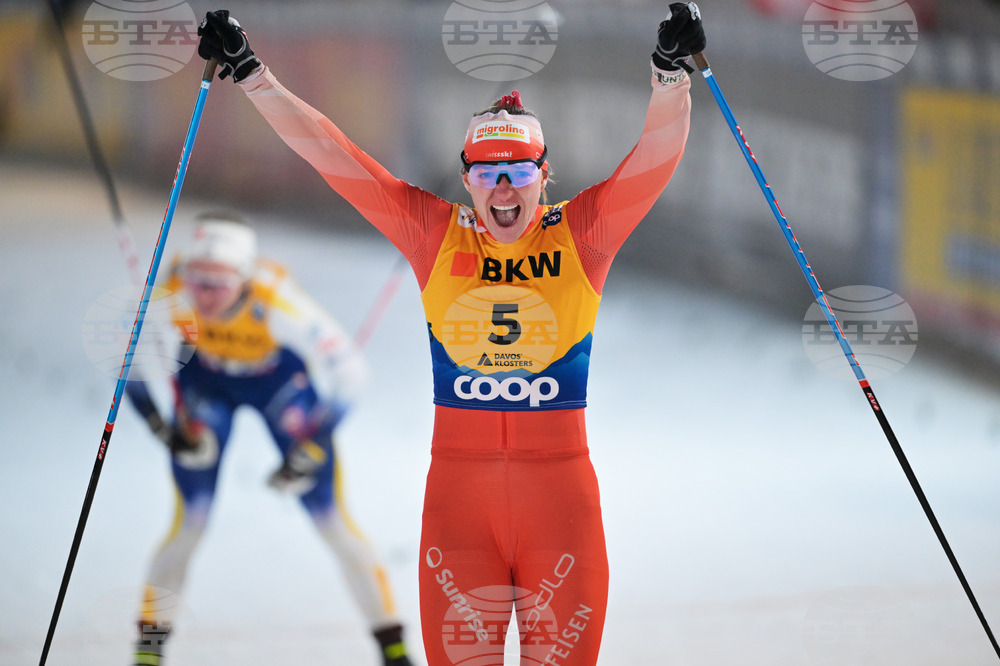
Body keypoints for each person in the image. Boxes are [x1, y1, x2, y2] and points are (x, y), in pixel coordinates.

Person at [196, 4, 704, 663]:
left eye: (518, 172)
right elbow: (331, 151)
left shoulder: (583, 234)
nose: (502, 190)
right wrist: (250, 73)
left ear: (544, 177)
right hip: (459, 510)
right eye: (487, 173)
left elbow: (655, 159)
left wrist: (670, 77)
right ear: (466, 180)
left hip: (560, 505)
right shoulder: (434, 234)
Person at [125, 213, 414, 666]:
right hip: (207, 381)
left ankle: (393, 648)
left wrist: (315, 443)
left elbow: (354, 374)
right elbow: (129, 358)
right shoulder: (173, 289)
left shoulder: (278, 301)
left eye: (218, 285)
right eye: (196, 280)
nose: (204, 295)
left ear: (245, 278)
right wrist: (159, 425)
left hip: (277, 382)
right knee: (189, 524)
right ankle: (148, 652)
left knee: (332, 520)